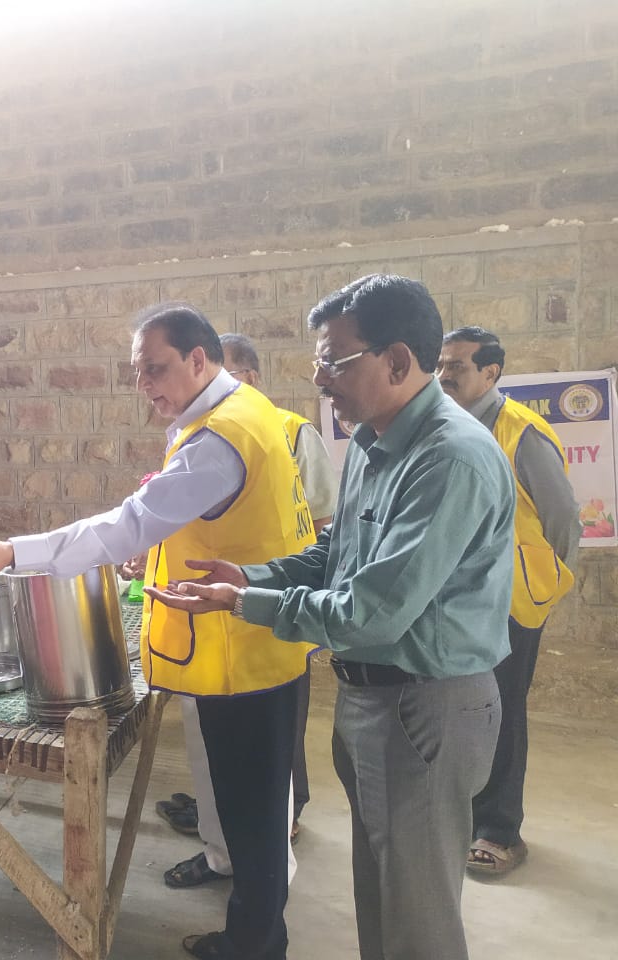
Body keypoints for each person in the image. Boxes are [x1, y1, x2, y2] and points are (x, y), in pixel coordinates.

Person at [149, 275, 512, 960]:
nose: (320, 379)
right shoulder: (379, 445)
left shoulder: (447, 458)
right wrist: (248, 578)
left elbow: (371, 613)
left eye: (334, 360)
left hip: (424, 709)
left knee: (418, 918)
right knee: (384, 893)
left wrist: (249, 603)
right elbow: (335, 557)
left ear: (397, 361)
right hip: (374, 700)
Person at [0, 302, 317, 960]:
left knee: (251, 815)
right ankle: (257, 932)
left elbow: (125, 526)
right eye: (137, 372)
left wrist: (14, 550)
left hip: (241, 655)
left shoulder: (219, 439)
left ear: (199, 359)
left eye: (156, 369)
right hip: (267, 643)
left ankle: (256, 944)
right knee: (256, 809)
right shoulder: (250, 413)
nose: (145, 385)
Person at [158, 333, 338, 884]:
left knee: (270, 765)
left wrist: (269, 591)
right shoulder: (195, 431)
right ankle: (223, 851)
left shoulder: (286, 433)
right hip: (210, 616)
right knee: (216, 756)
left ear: (248, 380)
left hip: (264, 615)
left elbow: (324, 528)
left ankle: (268, 856)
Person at [438, 326, 580, 876]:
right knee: (462, 711)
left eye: (459, 366)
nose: (446, 374)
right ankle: (464, 817)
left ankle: (499, 830)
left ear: (492, 373)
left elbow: (563, 518)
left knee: (502, 710)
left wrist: (548, 579)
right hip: (455, 601)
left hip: (510, 605)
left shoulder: (522, 432)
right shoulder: (443, 427)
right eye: (442, 364)